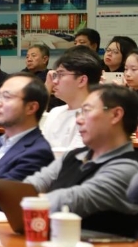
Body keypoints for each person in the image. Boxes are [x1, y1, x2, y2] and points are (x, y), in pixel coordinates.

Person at [24, 85, 138, 233]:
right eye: (80, 112)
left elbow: (72, 200)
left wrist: (24, 199)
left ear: (116, 115)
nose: (78, 120)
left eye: (87, 111)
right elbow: (33, 184)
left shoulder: (129, 168)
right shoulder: (73, 156)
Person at [41, 46, 102, 149]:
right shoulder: (55, 112)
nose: (54, 81)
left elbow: (75, 156)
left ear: (82, 80)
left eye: (61, 74)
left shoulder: (94, 117)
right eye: (56, 75)